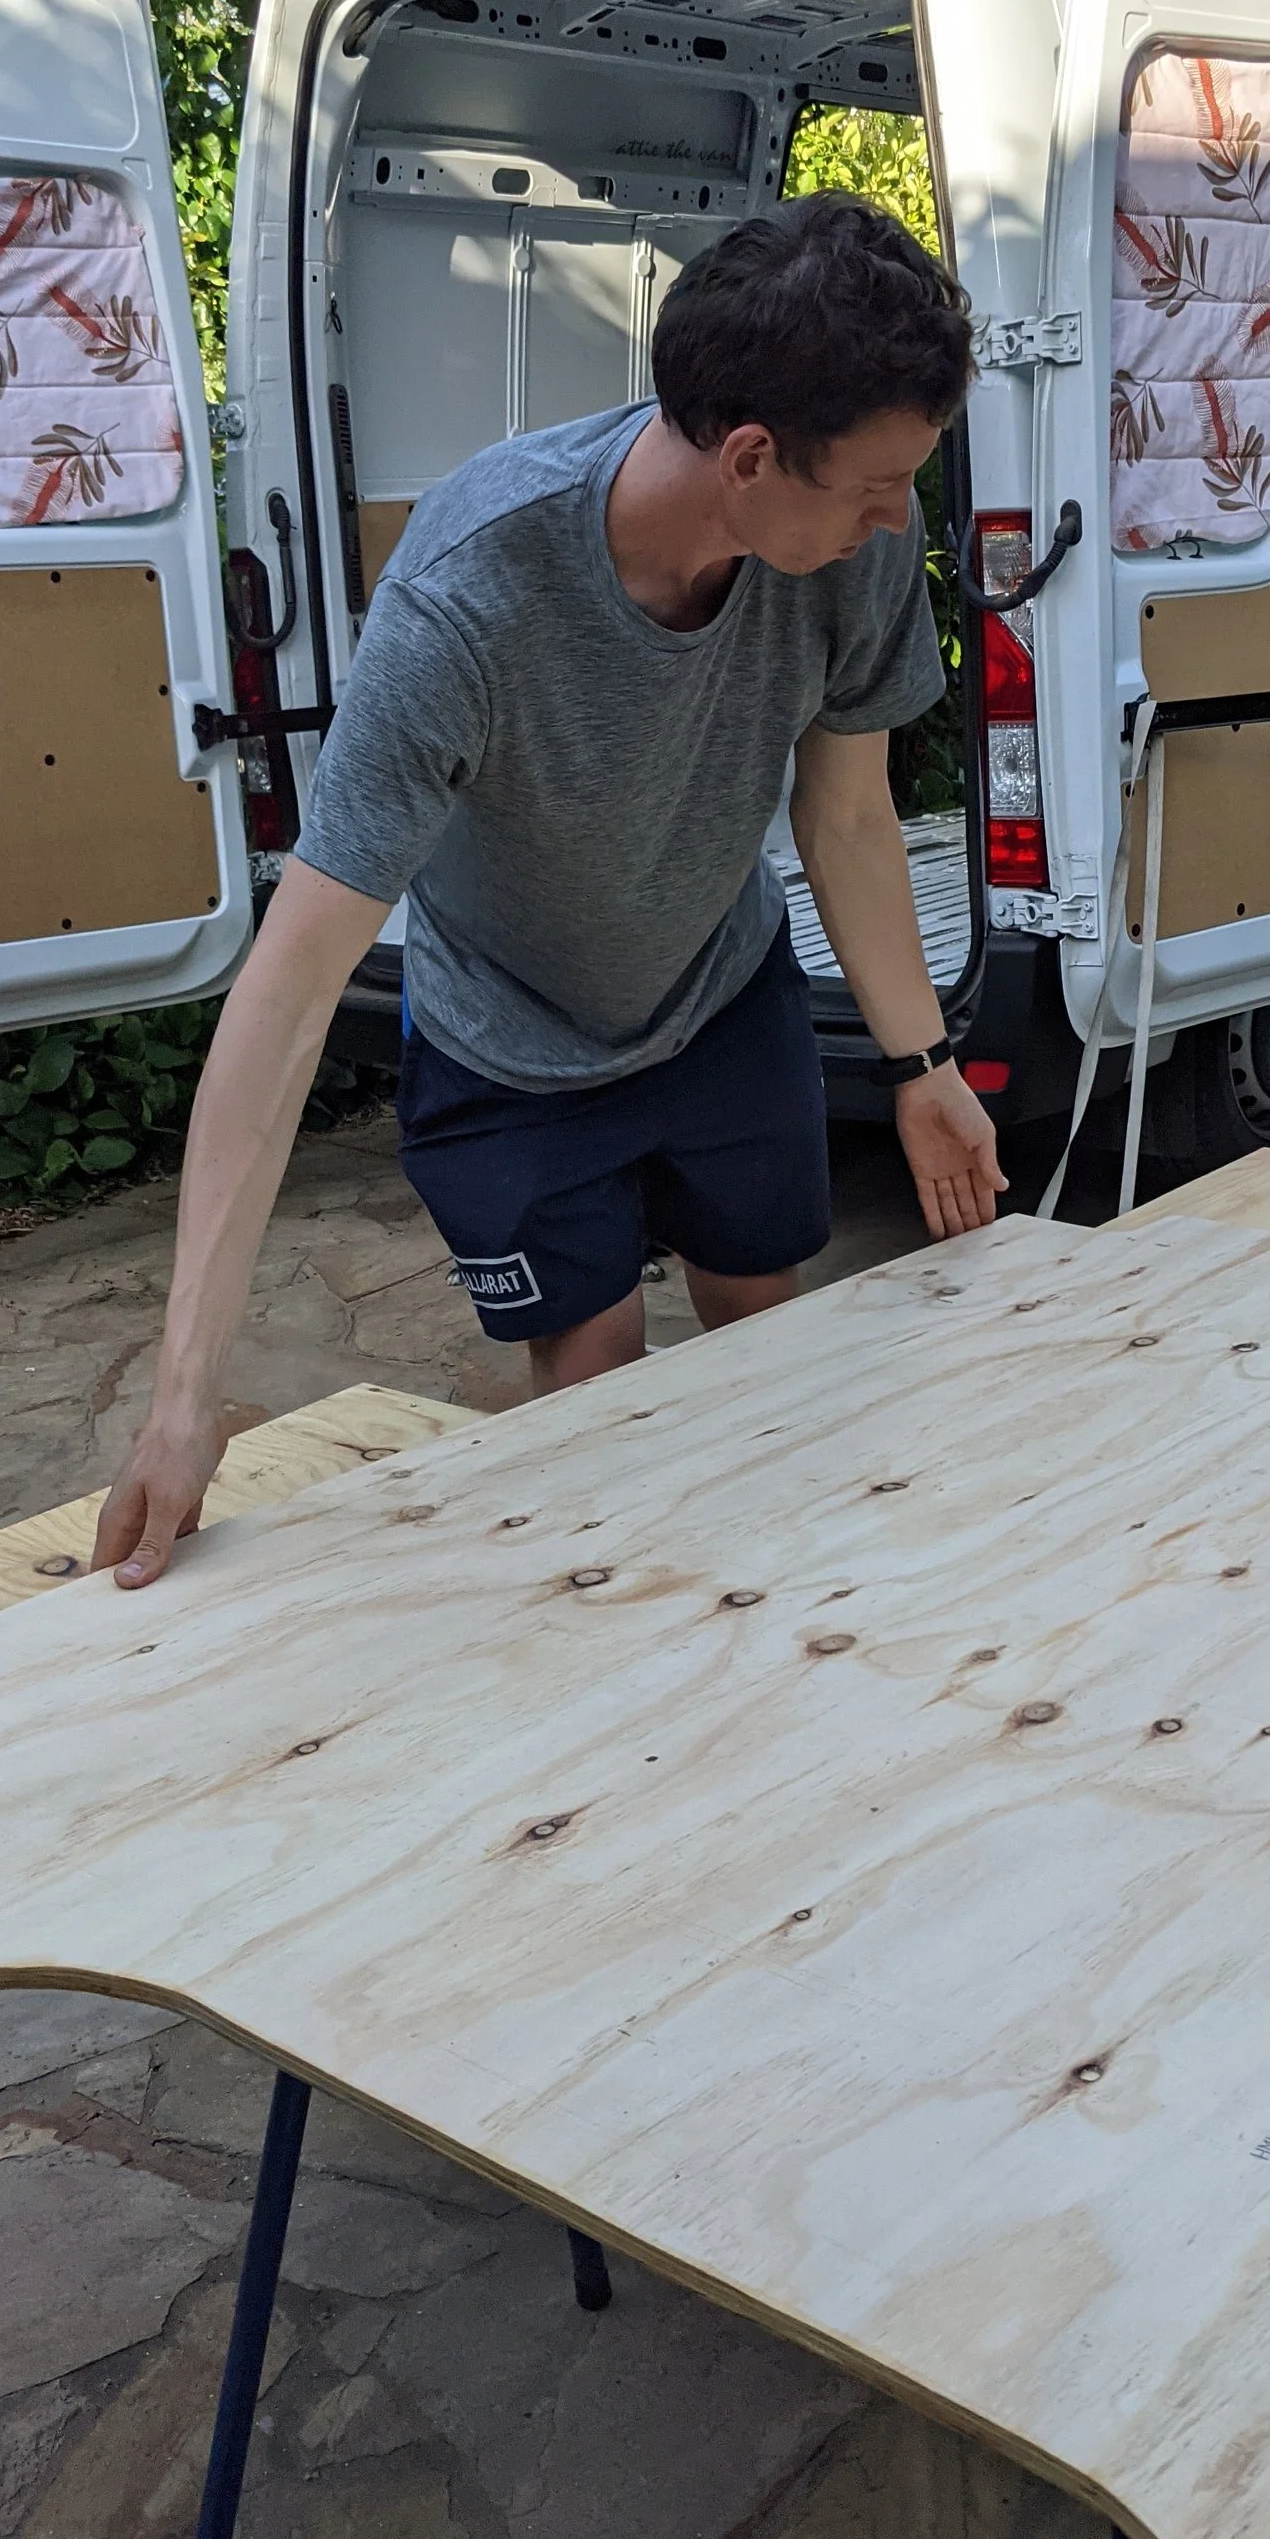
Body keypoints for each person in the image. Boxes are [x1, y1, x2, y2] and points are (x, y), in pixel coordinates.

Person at [93, 192, 1006, 1589]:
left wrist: (922, 1062)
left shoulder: (847, 555)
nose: (901, 524)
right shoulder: (468, 598)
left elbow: (848, 811)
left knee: (769, 1328)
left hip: (716, 988)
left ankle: (799, 1633)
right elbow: (288, 992)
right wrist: (178, 1399)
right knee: (599, 1386)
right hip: (510, 1041)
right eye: (878, 486)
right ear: (752, 456)